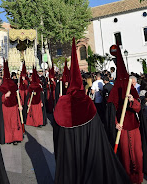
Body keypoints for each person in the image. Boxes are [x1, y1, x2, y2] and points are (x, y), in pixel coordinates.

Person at [53, 38, 130, 184]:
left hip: (69, 154)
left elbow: (57, 133)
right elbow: (97, 131)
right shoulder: (87, 101)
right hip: (87, 150)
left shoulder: (62, 102)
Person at [106, 44, 147, 184]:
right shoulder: (114, 91)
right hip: (122, 129)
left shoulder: (133, 90)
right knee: (125, 156)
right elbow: (111, 112)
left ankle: (138, 178)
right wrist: (116, 124)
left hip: (134, 128)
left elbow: (138, 109)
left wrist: (132, 101)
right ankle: (127, 178)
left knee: (137, 155)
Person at [0, 60, 23, 145]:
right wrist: (5, 96)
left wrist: (20, 105)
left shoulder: (13, 87)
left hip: (13, 108)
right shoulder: (2, 89)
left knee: (14, 123)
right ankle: (9, 138)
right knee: (8, 124)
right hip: (6, 109)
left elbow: (18, 96)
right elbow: (0, 99)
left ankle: (15, 138)